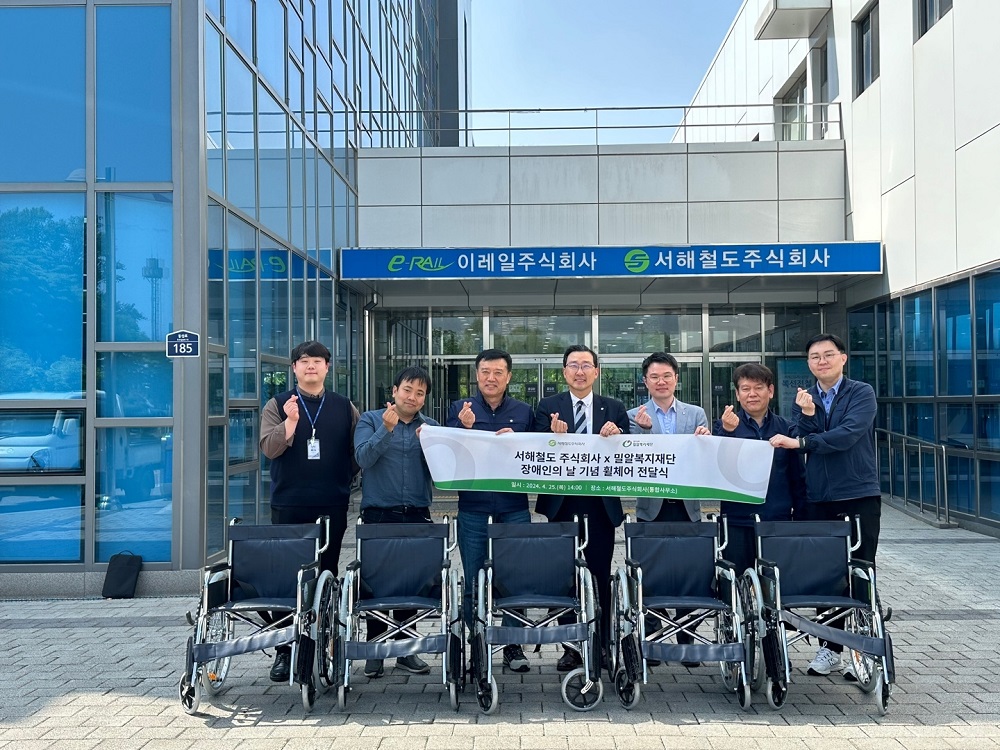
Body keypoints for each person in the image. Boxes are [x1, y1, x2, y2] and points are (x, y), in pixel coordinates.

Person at [769, 332, 880, 680]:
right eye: (815, 357)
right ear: (809, 364)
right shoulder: (804, 398)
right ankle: (830, 649)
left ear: (843, 358)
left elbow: (847, 435)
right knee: (825, 575)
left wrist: (803, 440)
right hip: (818, 496)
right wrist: (807, 415)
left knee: (861, 571)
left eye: (828, 354)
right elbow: (804, 436)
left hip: (858, 493)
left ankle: (865, 652)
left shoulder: (861, 392)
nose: (822, 361)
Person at [259, 340, 360, 683]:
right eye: (304, 361)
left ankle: (324, 641)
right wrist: (290, 423)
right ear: (294, 368)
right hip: (289, 503)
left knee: (327, 573)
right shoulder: (277, 404)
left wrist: (342, 478)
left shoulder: (344, 407)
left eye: (317, 360)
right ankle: (284, 650)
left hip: (332, 502)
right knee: (286, 578)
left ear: (327, 367)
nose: (311, 366)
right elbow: (269, 449)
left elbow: (356, 454)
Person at [533, 344, 630, 672]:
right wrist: (550, 435)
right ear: (564, 372)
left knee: (600, 576)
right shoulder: (548, 407)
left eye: (586, 365)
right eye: (573, 365)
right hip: (562, 504)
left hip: (601, 506)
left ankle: (601, 645)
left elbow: (629, 449)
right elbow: (533, 447)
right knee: (566, 577)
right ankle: (571, 647)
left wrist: (618, 434)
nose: (579, 371)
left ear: (596, 372)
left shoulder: (614, 407)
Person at [446, 348, 534, 673]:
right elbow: (448, 454)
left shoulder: (524, 411)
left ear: (508, 377)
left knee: (516, 576)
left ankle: (512, 644)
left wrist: (519, 440)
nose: (491, 378)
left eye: (498, 372)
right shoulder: (459, 409)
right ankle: (477, 644)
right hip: (473, 507)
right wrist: (464, 429)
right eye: (485, 371)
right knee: (474, 579)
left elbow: (537, 452)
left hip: (514, 506)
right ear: (476, 375)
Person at [353, 365, 438, 679]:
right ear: (394, 391)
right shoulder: (370, 420)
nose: (412, 397)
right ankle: (375, 649)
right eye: (407, 390)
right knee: (376, 584)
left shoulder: (430, 427)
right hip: (379, 514)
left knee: (410, 582)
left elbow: (442, 473)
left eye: (420, 393)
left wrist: (432, 447)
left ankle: (406, 650)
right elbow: (362, 459)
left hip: (417, 513)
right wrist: (385, 431)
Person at [627, 351, 710, 667]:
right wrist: (645, 431)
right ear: (645, 381)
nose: (661, 382)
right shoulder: (633, 416)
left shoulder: (696, 414)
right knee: (651, 573)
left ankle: (686, 637)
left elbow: (704, 457)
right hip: (651, 507)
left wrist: (705, 440)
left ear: (677, 378)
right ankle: (653, 636)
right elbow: (633, 459)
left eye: (666, 376)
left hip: (687, 507)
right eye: (654, 377)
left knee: (689, 572)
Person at [712, 362, 807, 574]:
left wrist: (800, 516)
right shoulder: (724, 425)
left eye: (758, 388)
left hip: (777, 519)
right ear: (737, 394)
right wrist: (727, 432)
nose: (752, 394)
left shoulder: (786, 428)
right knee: (737, 580)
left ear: (770, 391)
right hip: (737, 520)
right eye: (745, 389)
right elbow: (717, 470)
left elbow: (797, 477)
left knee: (776, 580)